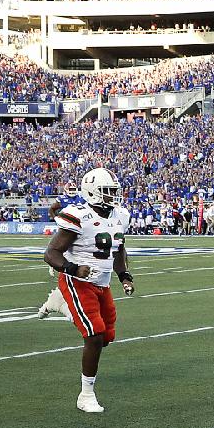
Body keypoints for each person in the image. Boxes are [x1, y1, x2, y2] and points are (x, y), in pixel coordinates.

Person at [43, 167, 134, 413]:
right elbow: (51, 253)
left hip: (101, 283)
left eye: (113, 191)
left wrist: (124, 275)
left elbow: (118, 249)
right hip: (77, 281)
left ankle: (60, 304)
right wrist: (72, 268)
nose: (112, 196)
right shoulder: (78, 215)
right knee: (93, 335)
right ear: (91, 191)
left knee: (105, 337)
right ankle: (86, 395)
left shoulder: (120, 215)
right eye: (106, 192)